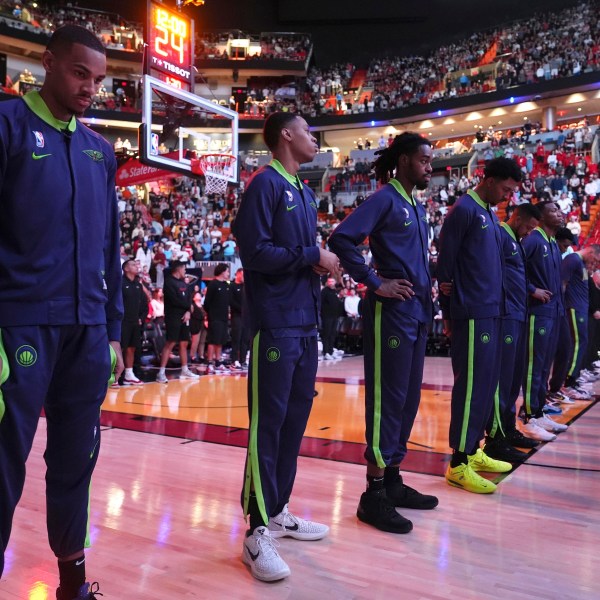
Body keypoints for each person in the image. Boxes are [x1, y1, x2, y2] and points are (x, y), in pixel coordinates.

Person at [0, 25, 124, 600]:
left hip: (88, 328)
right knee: (4, 461)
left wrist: (114, 331)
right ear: (47, 62)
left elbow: (110, 252)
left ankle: (72, 584)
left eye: (97, 79)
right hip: (18, 323)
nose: (90, 88)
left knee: (77, 458)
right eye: (80, 73)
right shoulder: (6, 126)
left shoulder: (100, 150)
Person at [233, 112, 339, 582]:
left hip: (306, 321)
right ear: (286, 136)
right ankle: (256, 533)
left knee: (294, 422)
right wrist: (311, 256)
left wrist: (313, 263)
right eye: (308, 131)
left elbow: (293, 258)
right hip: (275, 323)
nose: (315, 138)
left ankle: (277, 511)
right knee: (268, 425)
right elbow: (253, 253)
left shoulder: (304, 190)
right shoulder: (265, 184)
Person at [329, 132, 439, 533]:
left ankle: (392, 481)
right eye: (425, 160)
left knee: (408, 400)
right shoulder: (384, 198)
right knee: (387, 400)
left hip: (417, 313)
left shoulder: (415, 205)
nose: (430, 166)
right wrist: (375, 282)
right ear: (406, 160)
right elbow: (340, 238)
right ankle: (371, 495)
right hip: (390, 313)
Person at [437, 158, 522, 494]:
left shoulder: (489, 212)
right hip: (470, 312)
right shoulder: (464, 210)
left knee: (486, 385)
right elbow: (445, 265)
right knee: (471, 386)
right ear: (488, 180)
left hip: (491, 311)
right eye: (505, 189)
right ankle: (458, 463)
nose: (507, 197)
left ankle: (473, 450)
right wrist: (447, 311)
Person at [484, 203, 543, 462]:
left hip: (519, 314)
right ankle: (495, 439)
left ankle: (508, 430)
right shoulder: (500, 234)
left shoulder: (517, 240)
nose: (530, 233)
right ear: (517, 217)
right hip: (505, 314)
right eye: (529, 227)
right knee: (502, 380)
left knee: (513, 380)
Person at [520, 202, 569, 440]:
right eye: (554, 211)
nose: (559, 214)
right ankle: (529, 417)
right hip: (537, 312)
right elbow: (515, 268)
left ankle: (539, 411)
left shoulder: (552, 243)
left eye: (560, 211)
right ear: (541, 216)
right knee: (533, 366)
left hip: (553, 311)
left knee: (543, 367)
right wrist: (532, 290)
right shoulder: (533, 240)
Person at [156, 261, 199, 383]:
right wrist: (188, 307)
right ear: (178, 269)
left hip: (184, 316)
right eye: (184, 269)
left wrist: (188, 311)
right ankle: (161, 372)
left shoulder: (183, 283)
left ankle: (185, 369)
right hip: (173, 316)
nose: (185, 271)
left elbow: (188, 298)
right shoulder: (169, 282)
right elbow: (175, 300)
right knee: (171, 342)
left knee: (184, 343)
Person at [119, 259, 148, 386]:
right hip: (122, 321)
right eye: (133, 265)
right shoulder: (120, 283)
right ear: (126, 269)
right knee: (119, 348)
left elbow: (144, 304)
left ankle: (129, 375)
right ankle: (114, 376)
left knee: (132, 348)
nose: (136, 266)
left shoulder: (138, 285)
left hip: (135, 321)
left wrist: (141, 317)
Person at [204, 263, 231, 374]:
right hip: (214, 317)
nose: (229, 274)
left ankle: (218, 362)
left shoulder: (226, 285)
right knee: (213, 340)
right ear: (222, 271)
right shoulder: (213, 285)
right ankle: (209, 363)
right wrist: (210, 315)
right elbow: (206, 303)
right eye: (227, 271)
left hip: (224, 317)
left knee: (221, 340)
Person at [229, 268, 249, 370]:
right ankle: (234, 360)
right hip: (236, 316)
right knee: (236, 338)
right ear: (237, 274)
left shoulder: (246, 287)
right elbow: (231, 301)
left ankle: (243, 360)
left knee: (245, 339)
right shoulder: (232, 286)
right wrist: (242, 309)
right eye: (242, 274)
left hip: (246, 317)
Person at [320, 277, 343, 360]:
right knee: (326, 334)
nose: (331, 283)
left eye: (333, 281)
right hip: (327, 316)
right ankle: (325, 352)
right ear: (327, 282)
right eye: (330, 281)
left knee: (332, 334)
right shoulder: (324, 291)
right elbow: (321, 303)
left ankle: (331, 351)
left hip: (334, 316)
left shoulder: (334, 291)